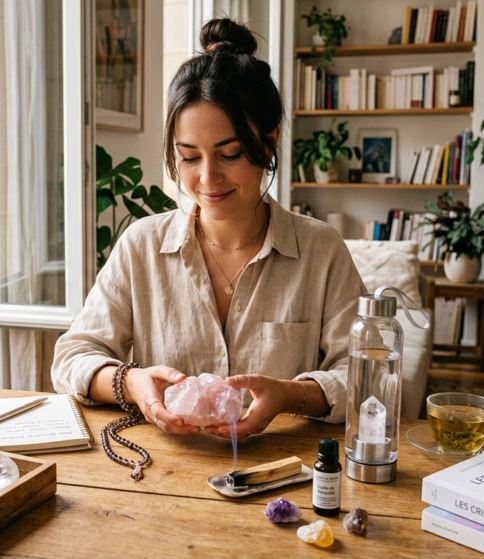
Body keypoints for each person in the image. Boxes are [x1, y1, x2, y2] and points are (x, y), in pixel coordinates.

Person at [52, 19, 366, 440]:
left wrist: (290, 395)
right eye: (188, 157)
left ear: (270, 141)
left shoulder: (320, 250)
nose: (207, 178)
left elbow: (364, 374)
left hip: (283, 467)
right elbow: (72, 356)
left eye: (230, 153)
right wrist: (132, 382)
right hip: (161, 467)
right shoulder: (141, 246)